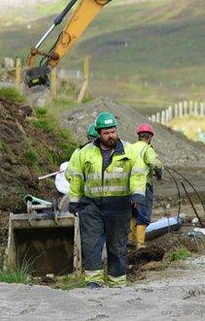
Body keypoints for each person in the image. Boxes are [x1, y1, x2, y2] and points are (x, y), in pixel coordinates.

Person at [66, 111, 147, 288]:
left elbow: (138, 174)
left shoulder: (130, 151)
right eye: (106, 133)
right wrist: (74, 200)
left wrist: (138, 194)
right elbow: (76, 176)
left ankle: (116, 283)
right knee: (91, 243)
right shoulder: (84, 153)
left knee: (117, 246)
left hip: (119, 205)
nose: (111, 136)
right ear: (99, 133)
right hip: (91, 205)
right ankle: (93, 282)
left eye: (113, 131)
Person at [125, 123, 164, 249]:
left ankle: (130, 241)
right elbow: (154, 163)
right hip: (143, 186)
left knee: (133, 214)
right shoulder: (147, 149)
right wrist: (160, 171)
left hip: (129, 187)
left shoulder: (130, 148)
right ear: (150, 136)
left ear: (139, 135)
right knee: (143, 215)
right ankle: (140, 244)